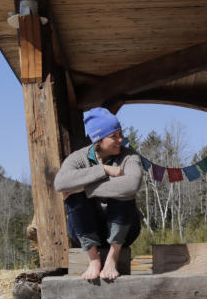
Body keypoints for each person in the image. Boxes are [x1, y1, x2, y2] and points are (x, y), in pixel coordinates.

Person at [54, 108, 144, 281]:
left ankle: (112, 257)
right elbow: (60, 183)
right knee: (73, 195)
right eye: (114, 136)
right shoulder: (77, 158)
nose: (120, 140)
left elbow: (132, 184)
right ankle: (94, 259)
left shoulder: (129, 156)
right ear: (98, 139)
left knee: (123, 192)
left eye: (120, 134)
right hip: (84, 231)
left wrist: (86, 189)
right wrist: (103, 170)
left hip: (125, 230)